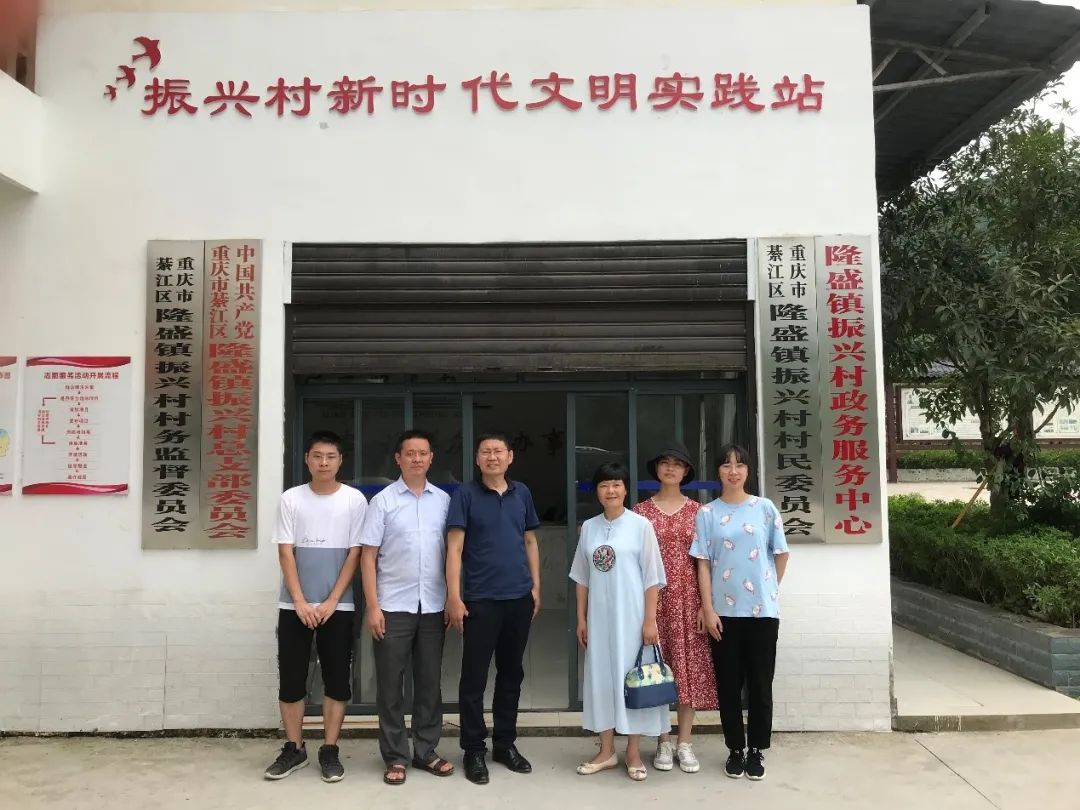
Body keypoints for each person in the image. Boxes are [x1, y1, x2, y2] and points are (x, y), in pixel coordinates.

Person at [265, 430, 367, 783]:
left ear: (340, 461)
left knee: (336, 680)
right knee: (291, 679)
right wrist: (299, 602)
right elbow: (285, 552)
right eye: (317, 456)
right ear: (307, 459)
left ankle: (330, 749)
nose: (324, 463)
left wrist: (332, 600)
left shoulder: (354, 500)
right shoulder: (291, 498)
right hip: (293, 606)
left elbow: (355, 553)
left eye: (331, 457)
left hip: (338, 608)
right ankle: (294, 748)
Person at [445, 432, 541, 785]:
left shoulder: (522, 493)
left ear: (510, 457)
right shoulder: (465, 495)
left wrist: (536, 586)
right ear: (477, 459)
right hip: (480, 600)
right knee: (474, 677)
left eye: (498, 451)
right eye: (485, 451)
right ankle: (473, 749)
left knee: (511, 673)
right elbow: (454, 549)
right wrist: (454, 597)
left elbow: (530, 540)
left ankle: (504, 743)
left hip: (518, 598)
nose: (492, 456)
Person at [359, 429, 454, 786]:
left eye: (423, 453)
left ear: (431, 458)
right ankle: (395, 756)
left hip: (433, 605)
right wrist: (373, 606)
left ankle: (426, 751)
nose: (417, 459)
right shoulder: (383, 501)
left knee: (429, 682)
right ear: (398, 459)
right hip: (392, 606)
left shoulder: (443, 501)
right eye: (410, 453)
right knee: (390, 686)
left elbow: (453, 554)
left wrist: (452, 598)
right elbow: (368, 557)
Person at [690, 443, 790, 782]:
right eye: (726, 465)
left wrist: (768, 589)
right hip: (723, 614)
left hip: (762, 614)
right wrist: (708, 608)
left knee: (761, 684)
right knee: (729, 685)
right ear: (717, 471)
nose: (733, 471)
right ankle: (735, 749)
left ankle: (757, 749)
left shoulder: (764, 508)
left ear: (748, 470)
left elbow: (781, 554)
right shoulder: (707, 514)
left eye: (740, 465)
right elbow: (703, 563)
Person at [571, 462, 668, 782]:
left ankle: (633, 753)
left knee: (632, 681)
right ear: (596, 492)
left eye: (616, 484)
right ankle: (606, 750)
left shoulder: (641, 526)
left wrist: (650, 620)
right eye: (604, 485)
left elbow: (652, 578)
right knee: (601, 680)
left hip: (632, 618)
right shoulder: (589, 528)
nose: (610, 491)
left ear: (626, 489)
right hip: (599, 620)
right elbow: (581, 577)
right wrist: (581, 618)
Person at [632, 443, 717, 774]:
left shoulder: (699, 512)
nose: (670, 469)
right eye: (665, 463)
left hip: (689, 600)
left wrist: (705, 605)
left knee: (687, 671)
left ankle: (684, 741)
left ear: (686, 471)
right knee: (658, 670)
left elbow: (705, 561)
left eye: (677, 464)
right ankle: (662, 741)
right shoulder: (640, 512)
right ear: (656, 469)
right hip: (654, 602)